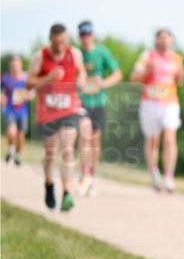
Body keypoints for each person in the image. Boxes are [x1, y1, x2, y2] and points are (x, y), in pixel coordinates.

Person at [26, 23, 87, 211]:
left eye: (64, 42)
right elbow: (28, 83)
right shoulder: (40, 56)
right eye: (57, 42)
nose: (61, 46)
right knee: (51, 152)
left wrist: (82, 80)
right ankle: (49, 184)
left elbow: (82, 71)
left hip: (70, 108)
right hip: (48, 111)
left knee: (68, 148)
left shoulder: (74, 54)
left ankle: (67, 192)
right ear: (50, 39)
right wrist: (48, 78)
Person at [130, 28, 184, 192]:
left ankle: (169, 177)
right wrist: (148, 71)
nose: (164, 41)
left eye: (167, 38)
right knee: (154, 140)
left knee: (170, 137)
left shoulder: (177, 59)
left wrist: (181, 75)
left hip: (170, 102)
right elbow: (133, 79)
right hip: (149, 102)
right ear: (156, 41)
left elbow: (179, 82)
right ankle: (154, 172)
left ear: (172, 41)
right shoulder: (147, 56)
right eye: (160, 38)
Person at [77, 20, 122, 196]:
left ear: (93, 35)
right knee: (84, 134)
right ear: (79, 36)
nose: (86, 38)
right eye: (83, 35)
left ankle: (91, 175)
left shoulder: (102, 52)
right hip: (81, 101)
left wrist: (104, 83)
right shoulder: (77, 54)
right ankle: (83, 174)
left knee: (95, 141)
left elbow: (117, 74)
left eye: (88, 34)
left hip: (99, 102)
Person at [2, 55, 31, 166]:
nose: (14, 68)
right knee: (11, 132)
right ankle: (10, 148)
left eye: (16, 65)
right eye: (12, 65)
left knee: (20, 136)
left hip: (22, 111)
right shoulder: (5, 78)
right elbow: (1, 91)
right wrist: (2, 97)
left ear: (21, 66)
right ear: (10, 66)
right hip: (9, 109)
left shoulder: (26, 78)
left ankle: (18, 154)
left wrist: (27, 96)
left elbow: (32, 93)